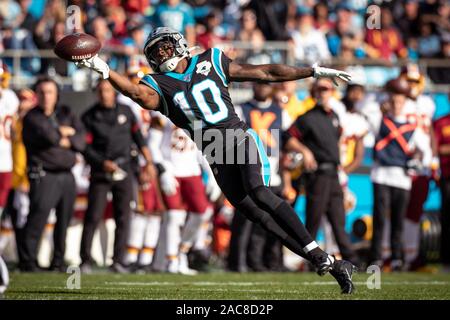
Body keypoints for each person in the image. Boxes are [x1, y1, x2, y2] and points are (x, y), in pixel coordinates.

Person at [75, 27, 356, 293]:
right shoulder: (157, 84)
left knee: (260, 192)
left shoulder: (212, 60)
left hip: (238, 138)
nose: (161, 56)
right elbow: (136, 93)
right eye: (155, 53)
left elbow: (266, 72)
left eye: (164, 48)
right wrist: (106, 70)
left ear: (179, 44)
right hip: (215, 152)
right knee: (256, 215)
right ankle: (330, 263)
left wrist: (313, 71)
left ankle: (318, 254)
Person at [80, 79, 156, 273]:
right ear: (96, 93)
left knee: (123, 216)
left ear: (114, 92)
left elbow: (139, 138)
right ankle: (85, 260)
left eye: (107, 90)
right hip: (101, 170)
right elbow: (85, 147)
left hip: (124, 168)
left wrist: (149, 162)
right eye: (101, 91)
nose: (105, 94)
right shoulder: (89, 116)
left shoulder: (126, 111)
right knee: (93, 215)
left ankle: (118, 260)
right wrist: (101, 163)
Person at [283, 78, 360, 267]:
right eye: (318, 89)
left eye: (325, 89)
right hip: (318, 175)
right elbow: (287, 138)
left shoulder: (334, 116)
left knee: (339, 221)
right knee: (313, 221)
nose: (321, 92)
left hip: (334, 173)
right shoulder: (307, 117)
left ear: (331, 92)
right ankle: (310, 262)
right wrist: (305, 151)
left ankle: (352, 262)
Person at [20, 77, 85, 272]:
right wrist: (63, 135)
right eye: (41, 92)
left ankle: (58, 261)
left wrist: (65, 136)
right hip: (44, 175)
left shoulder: (65, 112)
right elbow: (50, 136)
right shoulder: (32, 117)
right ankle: (28, 261)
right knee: (37, 219)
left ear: (57, 94)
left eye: (50, 92)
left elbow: (81, 141)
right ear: (36, 95)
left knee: (64, 220)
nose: (46, 96)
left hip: (67, 175)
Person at [368, 78, 431, 271]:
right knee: (379, 219)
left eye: (399, 102)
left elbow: (424, 150)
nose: (396, 105)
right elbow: (366, 110)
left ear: (405, 104)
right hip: (381, 174)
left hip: (402, 178)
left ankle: (397, 258)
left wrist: (417, 161)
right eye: (393, 101)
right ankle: (377, 257)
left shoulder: (412, 127)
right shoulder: (380, 119)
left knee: (398, 219)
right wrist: (382, 98)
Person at [433, 110, 450, 270]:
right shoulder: (441, 122)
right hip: (447, 175)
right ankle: (445, 259)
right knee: (446, 216)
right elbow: (436, 148)